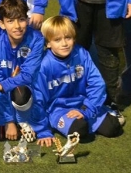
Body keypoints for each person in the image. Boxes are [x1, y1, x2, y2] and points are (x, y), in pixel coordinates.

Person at [33, 16, 122, 148]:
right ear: (48, 43)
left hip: (82, 104)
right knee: (79, 129)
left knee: (113, 128)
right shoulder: (44, 65)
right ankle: (74, 122)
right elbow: (38, 98)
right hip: (59, 110)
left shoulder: (81, 53)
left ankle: (98, 112)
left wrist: (86, 109)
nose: (64, 44)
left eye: (68, 38)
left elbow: (97, 84)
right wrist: (42, 130)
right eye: (57, 40)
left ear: (74, 38)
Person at [0, 0, 44, 142]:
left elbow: (28, 76)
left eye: (21, 19)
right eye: (10, 21)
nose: (17, 26)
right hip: (5, 95)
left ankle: (26, 120)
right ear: (2, 24)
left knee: (21, 94)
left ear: (28, 19)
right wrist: (9, 121)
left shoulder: (36, 40)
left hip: (31, 91)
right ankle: (12, 120)